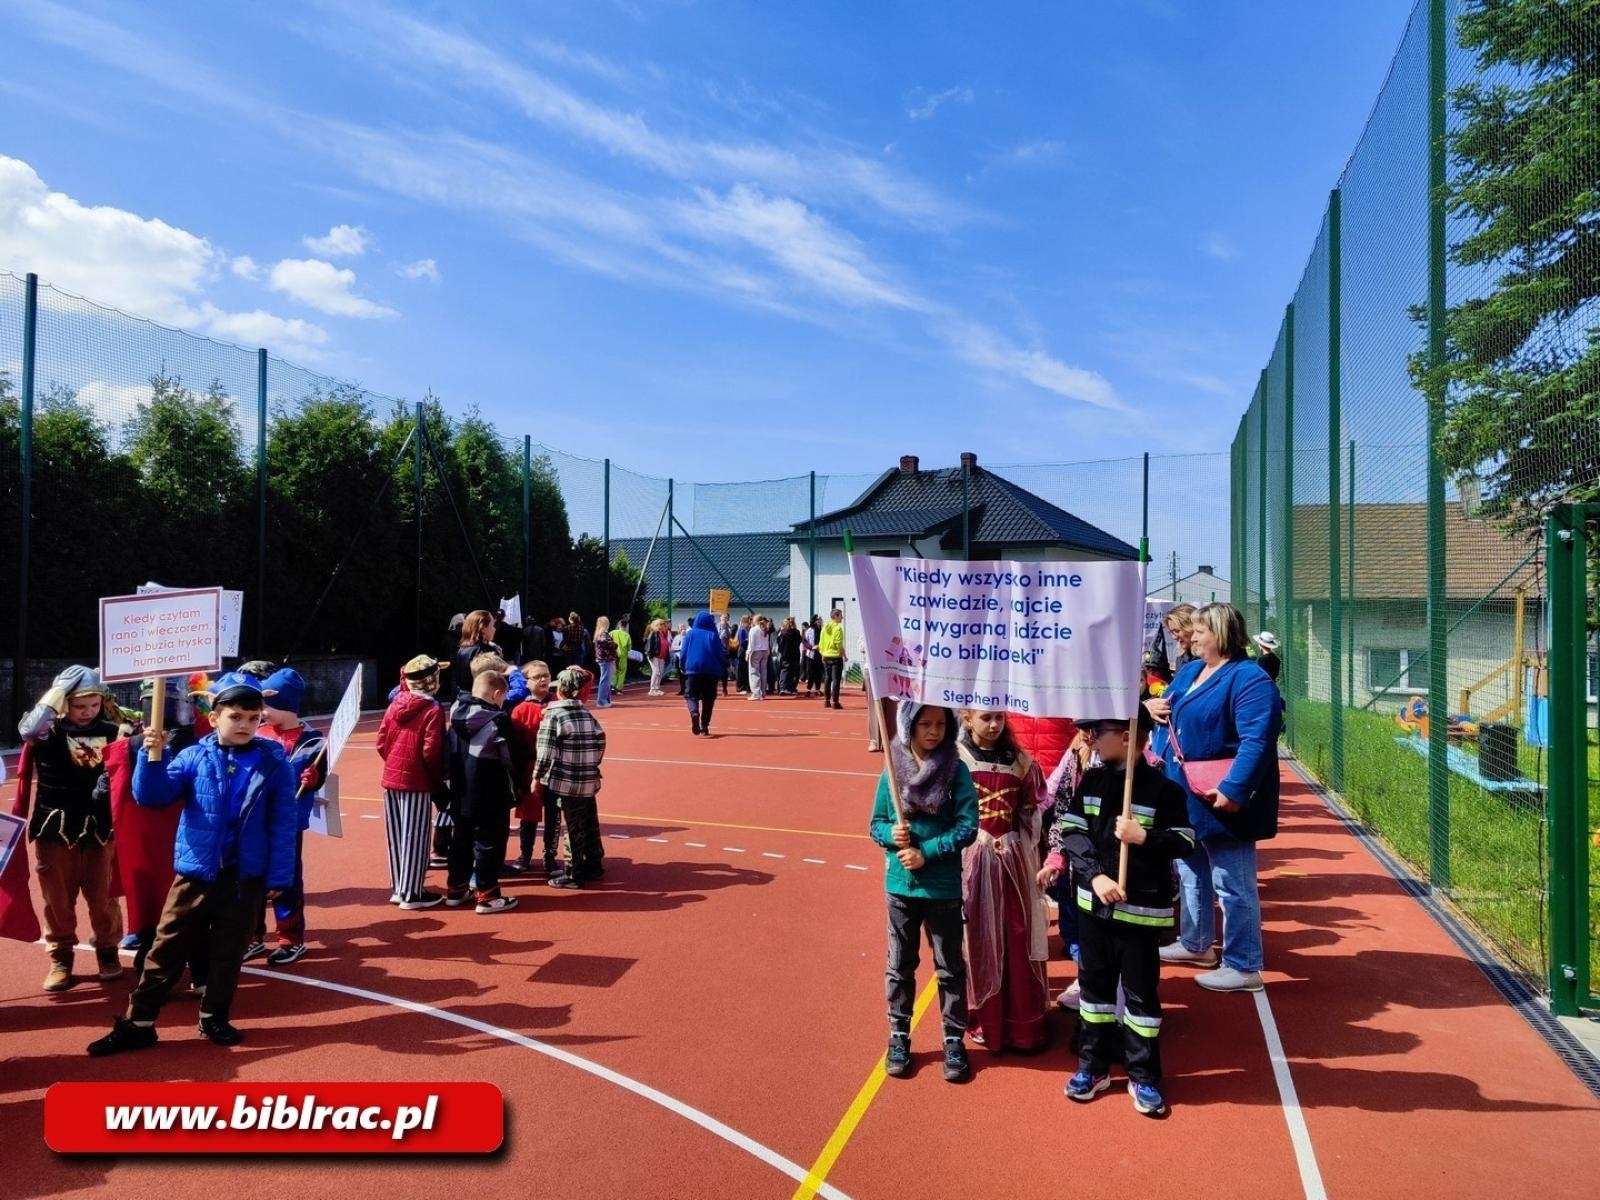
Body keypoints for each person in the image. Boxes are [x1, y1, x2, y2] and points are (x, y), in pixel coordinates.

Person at [88, 673, 298, 1055]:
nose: (246, 726)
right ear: (215, 717)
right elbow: (151, 797)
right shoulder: (192, 756)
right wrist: (154, 757)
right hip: (195, 873)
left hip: (244, 877)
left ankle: (214, 1016)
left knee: (228, 951)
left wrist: (280, 875)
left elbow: (283, 823)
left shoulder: (274, 764)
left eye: (254, 719)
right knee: (165, 949)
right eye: (236, 717)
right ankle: (139, 1022)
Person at [1049, 709, 1194, 1117]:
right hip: (1094, 912)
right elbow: (1073, 832)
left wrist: (1144, 836)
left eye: (1100, 731)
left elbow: (1185, 841)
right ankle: (1092, 1068)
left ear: (1131, 735)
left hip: (1141, 916)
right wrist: (1094, 877)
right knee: (1093, 994)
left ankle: (1144, 1076)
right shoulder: (1091, 782)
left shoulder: (1165, 791)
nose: (1092, 738)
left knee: (1141, 998)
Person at [1153, 602, 1282, 993]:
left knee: (1233, 881)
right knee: (1191, 870)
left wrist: (1233, 789)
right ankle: (1196, 944)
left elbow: (1258, 739)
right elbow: (1168, 706)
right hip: (1184, 792)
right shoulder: (1191, 671)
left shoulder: (1249, 679)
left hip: (1220, 795)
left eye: (1198, 631)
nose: (1190, 636)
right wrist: (1150, 706)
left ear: (1222, 634)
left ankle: (1244, 965)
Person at [869, 703, 979, 1083]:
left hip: (943, 887)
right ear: (908, 726)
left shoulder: (956, 770)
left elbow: (967, 827)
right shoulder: (892, 770)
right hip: (900, 887)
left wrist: (927, 852)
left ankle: (953, 1038)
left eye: (940, 724)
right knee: (900, 965)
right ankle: (899, 1035)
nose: (933, 732)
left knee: (950, 966)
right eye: (925, 724)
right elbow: (876, 824)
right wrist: (891, 836)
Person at [19, 666, 125, 992]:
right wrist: (55, 695)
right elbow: (30, 729)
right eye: (80, 706)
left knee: (103, 895)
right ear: (64, 703)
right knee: (57, 899)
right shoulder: (46, 733)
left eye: (93, 705)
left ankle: (108, 951)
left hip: (99, 827)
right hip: (55, 826)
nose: (87, 712)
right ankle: (61, 957)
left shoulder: (113, 730)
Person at [105, 675, 214, 990]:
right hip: (146, 839)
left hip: (191, 835)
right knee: (152, 904)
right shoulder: (131, 744)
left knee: (193, 905)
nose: (161, 706)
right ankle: (153, 971)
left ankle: (201, 970)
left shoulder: (201, 742)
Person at [956, 708, 1050, 1052]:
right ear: (967, 718)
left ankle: (1021, 1024)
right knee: (978, 936)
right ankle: (984, 1017)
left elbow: (1031, 808)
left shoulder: (1021, 761)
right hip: (973, 858)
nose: (994, 725)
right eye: (985, 718)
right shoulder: (956, 759)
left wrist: (1026, 839)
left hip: (1011, 860)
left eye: (998, 717)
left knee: (1016, 934)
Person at [244, 668, 326, 967]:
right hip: (254, 820)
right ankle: (251, 936)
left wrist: (314, 777)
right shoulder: (258, 734)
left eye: (267, 706)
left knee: (287, 879)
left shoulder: (312, 740)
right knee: (251, 878)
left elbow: (319, 777)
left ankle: (290, 937)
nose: (261, 712)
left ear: (288, 705)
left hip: (288, 821)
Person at [445, 668, 526, 914]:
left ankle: (456, 888)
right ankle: (488, 895)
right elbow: (511, 757)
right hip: (489, 787)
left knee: (461, 838)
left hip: (459, 788)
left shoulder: (455, 712)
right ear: (497, 694)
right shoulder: (497, 719)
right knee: (490, 841)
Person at [376, 655, 447, 911]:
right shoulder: (432, 710)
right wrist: (438, 779)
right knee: (416, 835)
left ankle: (399, 886)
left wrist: (393, 763)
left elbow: (381, 742)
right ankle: (412, 892)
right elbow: (431, 750)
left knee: (396, 834)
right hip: (417, 780)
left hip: (392, 777)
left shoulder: (395, 704)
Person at [536, 667, 608, 889]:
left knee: (573, 827)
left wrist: (537, 776)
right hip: (588, 777)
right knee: (589, 821)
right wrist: (592, 763)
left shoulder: (554, 714)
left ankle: (573, 873)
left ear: (560, 690)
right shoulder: (586, 713)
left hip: (566, 779)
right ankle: (594, 863)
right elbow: (600, 739)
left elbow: (545, 750)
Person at [508, 659, 552, 873]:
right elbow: (516, 744)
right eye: (537, 676)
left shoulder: (558, 702)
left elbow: (586, 681)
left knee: (554, 814)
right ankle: (525, 854)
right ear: (526, 682)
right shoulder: (520, 710)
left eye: (546, 675)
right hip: (530, 769)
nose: (543, 679)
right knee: (529, 816)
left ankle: (550, 857)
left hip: (555, 769)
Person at [680, 611, 729, 736]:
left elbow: (683, 652)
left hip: (692, 669)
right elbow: (720, 653)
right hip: (711, 671)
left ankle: (694, 712)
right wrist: (725, 665)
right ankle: (704, 725)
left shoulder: (689, 635)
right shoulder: (713, 635)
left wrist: (682, 666)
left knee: (691, 695)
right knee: (709, 698)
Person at [454, 610, 503, 694]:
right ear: (483, 628)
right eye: (492, 625)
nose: (494, 629)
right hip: (482, 699)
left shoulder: (462, 649)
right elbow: (492, 682)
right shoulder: (485, 651)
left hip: (463, 697)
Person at [820, 609, 846, 708]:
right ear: (835, 616)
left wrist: (822, 653)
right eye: (840, 616)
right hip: (835, 656)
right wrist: (843, 654)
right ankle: (835, 701)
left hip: (826, 655)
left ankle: (826, 700)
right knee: (836, 680)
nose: (842, 618)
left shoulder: (824, 628)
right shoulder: (838, 629)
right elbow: (838, 644)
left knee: (827, 678)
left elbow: (821, 643)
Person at [593, 616, 617, 708]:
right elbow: (606, 644)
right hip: (605, 658)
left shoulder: (598, 633)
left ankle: (606, 700)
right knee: (605, 680)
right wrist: (614, 644)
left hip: (602, 658)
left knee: (606, 679)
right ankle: (602, 701)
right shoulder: (603, 633)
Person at [746, 615, 771, 701]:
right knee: (763, 672)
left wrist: (748, 653)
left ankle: (756, 693)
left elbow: (751, 643)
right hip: (765, 651)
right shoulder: (765, 629)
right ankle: (763, 693)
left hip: (756, 651)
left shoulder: (753, 629)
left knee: (754, 672)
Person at [645, 619, 671, 696]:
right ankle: (652, 689)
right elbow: (649, 644)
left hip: (662, 656)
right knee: (656, 671)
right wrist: (650, 655)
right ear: (656, 625)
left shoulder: (663, 634)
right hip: (654, 655)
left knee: (660, 673)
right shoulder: (654, 633)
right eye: (661, 624)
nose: (663, 625)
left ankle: (657, 688)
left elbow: (666, 645)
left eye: (663, 624)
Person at [777, 617, 802, 696]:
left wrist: (782, 651)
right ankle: (791, 688)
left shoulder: (782, 633)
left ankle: (783, 688)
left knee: (785, 671)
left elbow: (780, 644)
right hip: (795, 654)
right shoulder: (796, 633)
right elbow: (800, 640)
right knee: (794, 672)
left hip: (785, 654)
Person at [611, 617, 633, 694]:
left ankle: (612, 685)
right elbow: (629, 647)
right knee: (622, 672)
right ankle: (618, 688)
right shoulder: (627, 635)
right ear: (626, 626)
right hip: (623, 656)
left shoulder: (612, 632)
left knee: (614, 670)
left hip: (613, 655)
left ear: (619, 625)